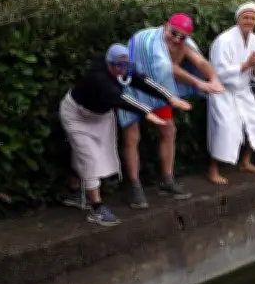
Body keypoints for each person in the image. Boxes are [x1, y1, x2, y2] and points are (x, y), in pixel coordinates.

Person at [61, 44, 192, 226]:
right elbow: (120, 97)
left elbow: (143, 81)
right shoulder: (99, 78)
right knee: (90, 158)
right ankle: (96, 208)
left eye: (126, 65)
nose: (122, 69)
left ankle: (75, 190)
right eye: (118, 65)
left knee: (93, 155)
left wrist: (170, 98)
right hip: (77, 116)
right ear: (109, 63)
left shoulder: (125, 71)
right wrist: (147, 112)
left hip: (101, 117)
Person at [119, 13, 225, 209]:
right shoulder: (149, 41)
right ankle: (134, 184)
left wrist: (214, 79)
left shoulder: (183, 44)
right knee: (132, 136)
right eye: (174, 33)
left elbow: (200, 62)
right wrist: (199, 83)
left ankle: (167, 179)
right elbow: (167, 68)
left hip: (159, 90)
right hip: (133, 87)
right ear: (165, 25)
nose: (177, 39)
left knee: (168, 130)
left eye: (182, 37)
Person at [207, 2, 255, 184]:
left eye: (252, 18)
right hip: (222, 91)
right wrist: (246, 64)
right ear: (238, 19)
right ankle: (212, 169)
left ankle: (245, 162)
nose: (249, 21)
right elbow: (218, 72)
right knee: (225, 127)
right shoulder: (223, 41)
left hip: (243, 91)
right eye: (246, 18)